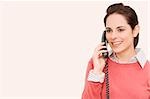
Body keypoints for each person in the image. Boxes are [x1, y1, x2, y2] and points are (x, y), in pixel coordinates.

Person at [82, 3, 150, 99]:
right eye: (109, 30)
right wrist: (97, 72)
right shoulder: (97, 64)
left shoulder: (147, 70)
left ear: (135, 30)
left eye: (120, 30)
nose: (113, 36)